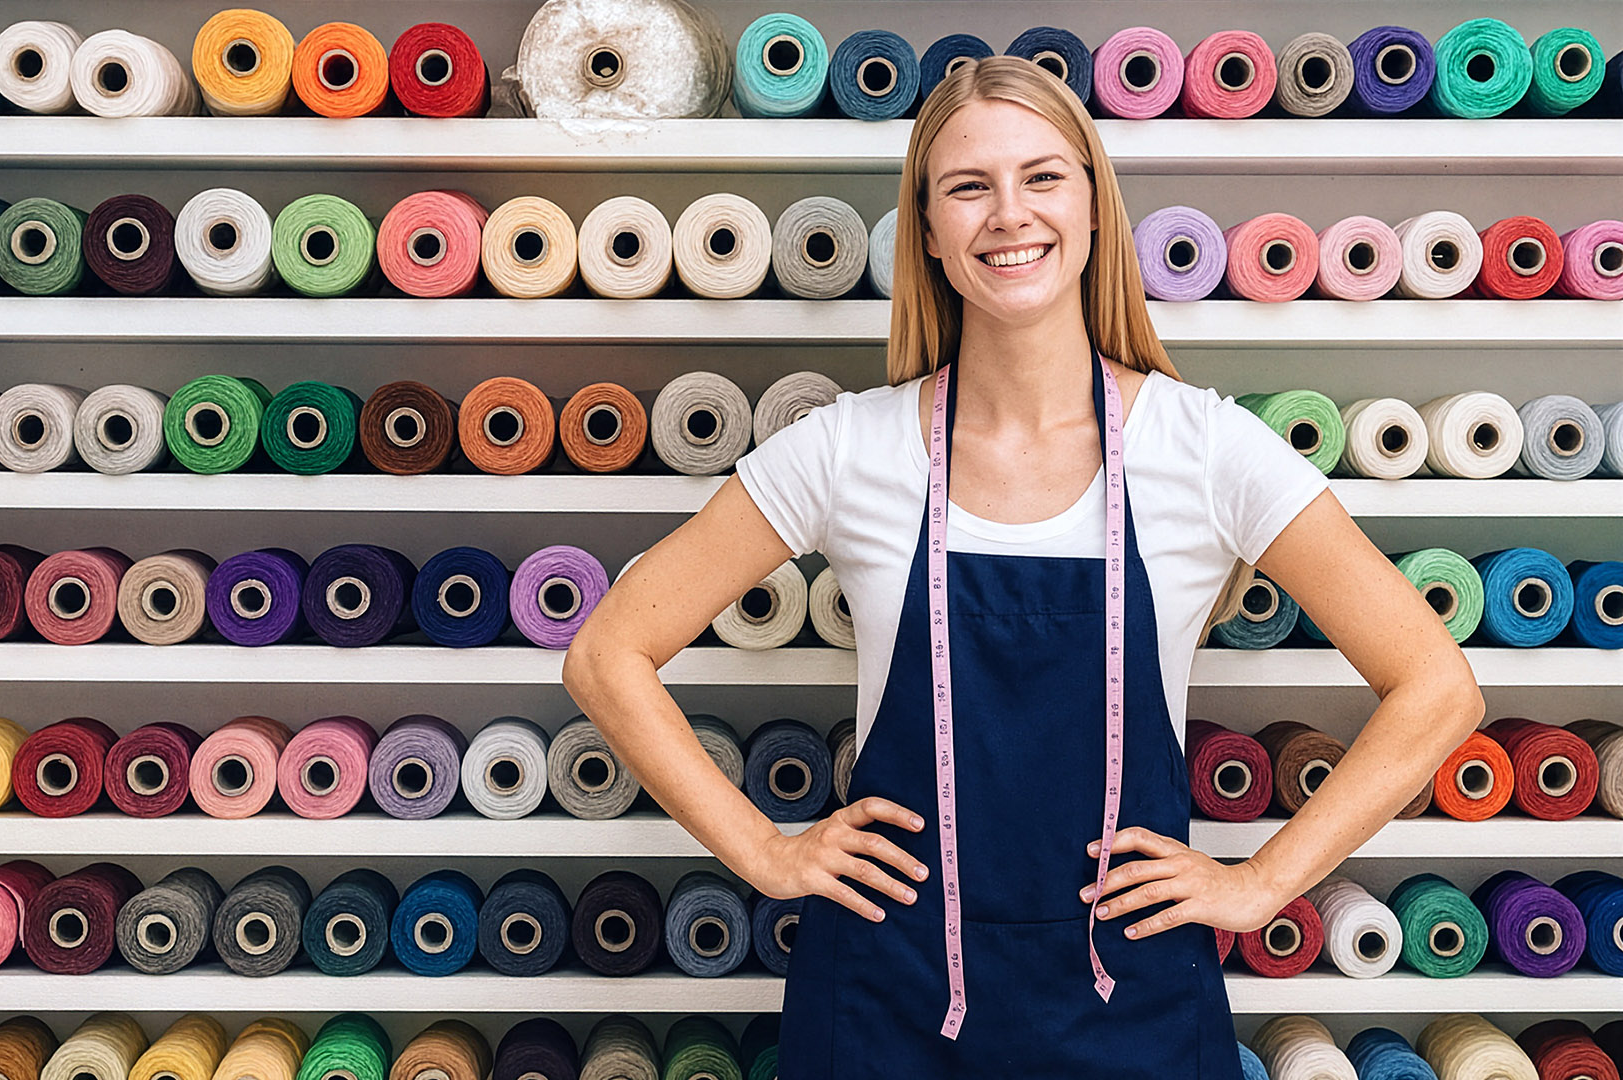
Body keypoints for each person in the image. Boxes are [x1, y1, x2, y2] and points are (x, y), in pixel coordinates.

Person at [563, 55, 1483, 1077]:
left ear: (1094, 207)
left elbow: (1437, 687)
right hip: (886, 998)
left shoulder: (1205, 448)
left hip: (1129, 998)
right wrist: (763, 850)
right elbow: (608, 654)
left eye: (1043, 177)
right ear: (929, 233)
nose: (1010, 214)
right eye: (969, 187)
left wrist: (1263, 881)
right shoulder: (849, 449)